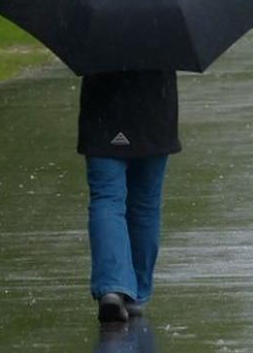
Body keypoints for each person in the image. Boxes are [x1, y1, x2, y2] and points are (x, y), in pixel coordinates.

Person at [78, 69, 180, 322]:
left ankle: (112, 286)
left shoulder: (98, 29)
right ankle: (136, 293)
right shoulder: (166, 29)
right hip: (155, 105)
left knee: (107, 199)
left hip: (103, 107)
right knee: (145, 203)